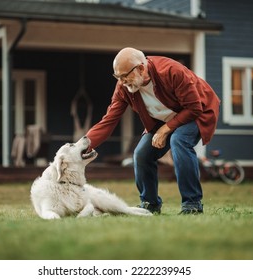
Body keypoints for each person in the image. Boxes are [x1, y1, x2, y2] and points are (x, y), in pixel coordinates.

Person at [85, 47, 220, 215]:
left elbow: (194, 107)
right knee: (141, 153)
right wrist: (84, 145)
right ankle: (150, 204)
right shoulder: (124, 87)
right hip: (164, 120)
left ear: (141, 68)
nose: (122, 81)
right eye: (118, 77)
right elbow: (109, 120)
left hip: (198, 111)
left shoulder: (171, 71)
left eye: (125, 75)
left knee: (179, 140)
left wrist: (166, 129)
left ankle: (192, 204)